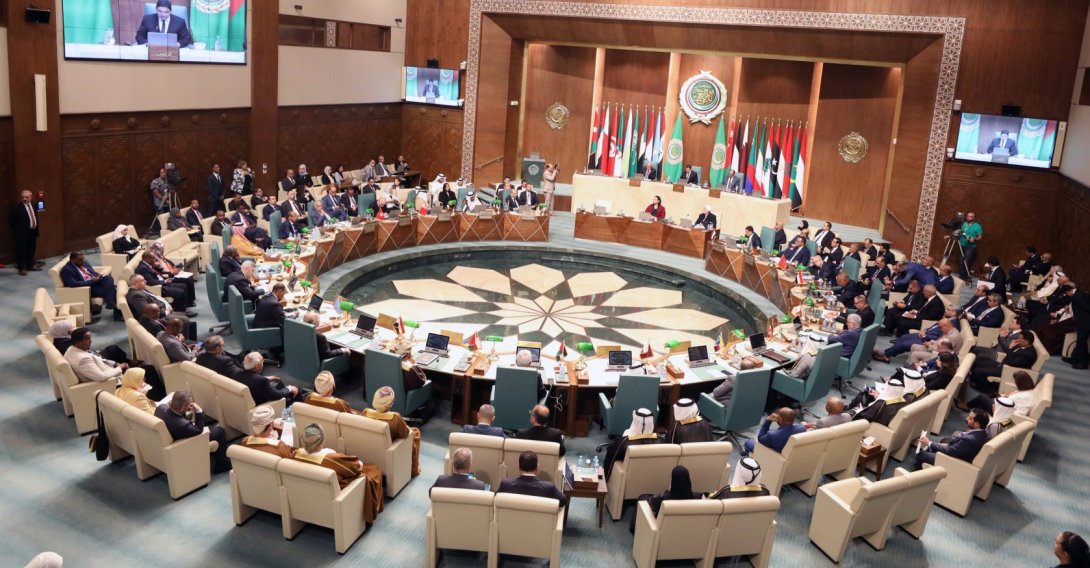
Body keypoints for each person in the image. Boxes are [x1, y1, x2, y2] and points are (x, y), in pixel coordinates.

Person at [293, 423, 384, 522]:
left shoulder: (295, 454)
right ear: (322, 441)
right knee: (373, 470)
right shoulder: (331, 458)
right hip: (337, 493)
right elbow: (357, 467)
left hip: (307, 494)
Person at [156, 390, 230, 473]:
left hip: (173, 432)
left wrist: (186, 411)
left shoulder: (161, 408)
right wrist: (199, 411)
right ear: (183, 407)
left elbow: (178, 415)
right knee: (219, 431)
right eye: (189, 404)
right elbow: (198, 430)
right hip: (184, 442)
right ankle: (221, 464)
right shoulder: (182, 425)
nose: (190, 405)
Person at [363, 386, 422, 477]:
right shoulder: (395, 418)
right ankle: (414, 470)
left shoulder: (365, 413)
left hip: (368, 446)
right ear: (391, 403)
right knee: (415, 433)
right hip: (389, 449)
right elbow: (406, 434)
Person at [914, 408, 989, 470]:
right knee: (942, 441)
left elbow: (950, 451)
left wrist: (929, 443)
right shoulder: (984, 432)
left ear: (977, 424)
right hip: (961, 453)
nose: (966, 419)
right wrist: (943, 445)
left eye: (970, 418)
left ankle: (915, 475)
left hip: (956, 462)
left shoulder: (970, 439)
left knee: (922, 455)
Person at [629, 465, 697, 532]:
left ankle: (634, 528)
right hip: (687, 530)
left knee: (642, 498)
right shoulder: (697, 498)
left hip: (661, 529)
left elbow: (651, 502)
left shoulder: (664, 499)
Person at [969, 332, 1037, 396]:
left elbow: (1011, 363)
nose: (1018, 340)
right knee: (977, 360)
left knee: (978, 371)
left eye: (1020, 338)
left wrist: (1010, 348)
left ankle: (988, 390)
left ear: (1026, 341)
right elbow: (1010, 354)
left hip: (1007, 370)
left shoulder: (1028, 354)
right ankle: (974, 380)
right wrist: (1010, 348)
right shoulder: (1022, 346)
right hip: (1001, 365)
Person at [60, 251, 120, 319]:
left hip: (95, 282)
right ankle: (116, 313)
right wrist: (91, 281)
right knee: (113, 290)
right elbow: (73, 284)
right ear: (73, 260)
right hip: (87, 288)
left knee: (108, 278)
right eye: (80, 260)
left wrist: (98, 275)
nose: (82, 261)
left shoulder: (83, 262)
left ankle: (111, 304)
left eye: (82, 259)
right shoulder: (66, 270)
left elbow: (92, 272)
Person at [604, 408, 660, 479]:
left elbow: (609, 462)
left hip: (628, 480)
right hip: (653, 480)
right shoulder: (661, 441)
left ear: (635, 421)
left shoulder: (624, 442)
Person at [497, 451, 567, 507]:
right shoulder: (548, 488)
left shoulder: (505, 484)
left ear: (518, 466)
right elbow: (563, 501)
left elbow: (497, 500)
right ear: (537, 467)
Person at [234, 352, 307, 406]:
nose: (263, 363)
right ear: (257, 367)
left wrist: (265, 378)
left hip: (251, 399)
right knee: (297, 389)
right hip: (265, 406)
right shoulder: (261, 381)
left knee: (278, 382)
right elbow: (277, 395)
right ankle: (300, 412)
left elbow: (251, 379)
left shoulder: (237, 373)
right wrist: (290, 388)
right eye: (262, 361)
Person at [9, 190, 40, 276]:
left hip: (32, 232)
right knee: (21, 251)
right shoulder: (17, 208)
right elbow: (12, 222)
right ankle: (22, 268)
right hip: (21, 234)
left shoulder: (34, 205)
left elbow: (34, 217)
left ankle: (30, 265)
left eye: (26, 197)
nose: (24, 199)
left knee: (31, 249)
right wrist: (18, 231)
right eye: (23, 197)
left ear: (31, 197)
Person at [1063, 286, 1090, 370]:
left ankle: (1082, 363)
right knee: (1080, 342)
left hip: (1085, 323)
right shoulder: (1080, 292)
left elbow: (1087, 308)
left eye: (1067, 294)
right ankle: (1075, 358)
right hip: (1084, 322)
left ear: (1068, 291)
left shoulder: (1077, 297)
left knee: (1081, 343)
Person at [956, 212, 983, 279]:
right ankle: (961, 277)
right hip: (962, 245)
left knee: (966, 262)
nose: (968, 217)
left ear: (974, 218)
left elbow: (980, 237)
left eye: (970, 216)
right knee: (961, 262)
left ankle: (966, 277)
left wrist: (974, 239)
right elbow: (961, 232)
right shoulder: (964, 224)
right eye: (968, 216)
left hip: (970, 247)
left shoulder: (977, 226)